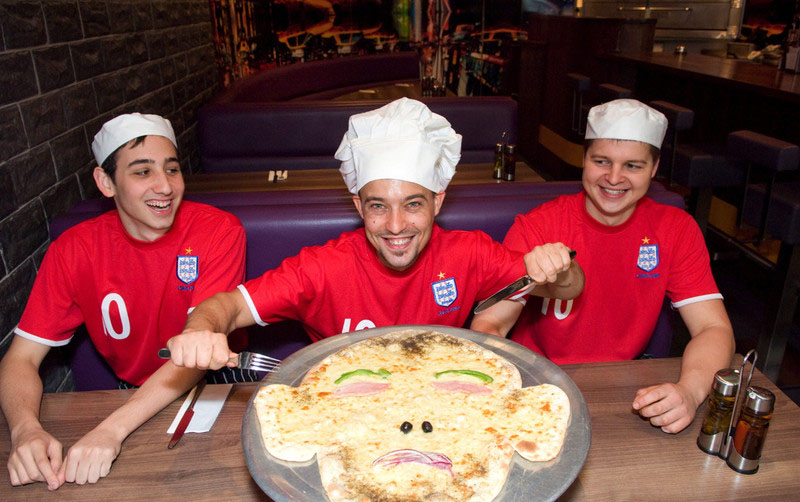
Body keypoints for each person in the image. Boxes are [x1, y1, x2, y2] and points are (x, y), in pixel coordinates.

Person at [165, 98, 585, 370]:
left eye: (413, 204)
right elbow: (227, 305)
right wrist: (199, 329)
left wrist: (558, 268)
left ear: (438, 201)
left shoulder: (469, 252)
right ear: (358, 206)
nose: (397, 226)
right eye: (378, 206)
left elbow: (567, 289)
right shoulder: (322, 267)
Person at [0, 113, 254, 490]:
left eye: (172, 169)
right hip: (134, 394)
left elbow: (197, 356)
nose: (164, 186)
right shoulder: (74, 249)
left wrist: (110, 431)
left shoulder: (218, 230)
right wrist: (25, 432)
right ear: (106, 182)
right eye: (142, 172)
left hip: (220, 385)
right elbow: (20, 358)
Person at [471, 99, 735, 434]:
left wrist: (691, 391)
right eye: (601, 161)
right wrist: (508, 385)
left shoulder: (676, 228)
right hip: (536, 382)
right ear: (584, 160)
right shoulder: (537, 226)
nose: (614, 178)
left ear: (654, 169)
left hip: (623, 389)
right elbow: (489, 322)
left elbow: (714, 328)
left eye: (633, 166)